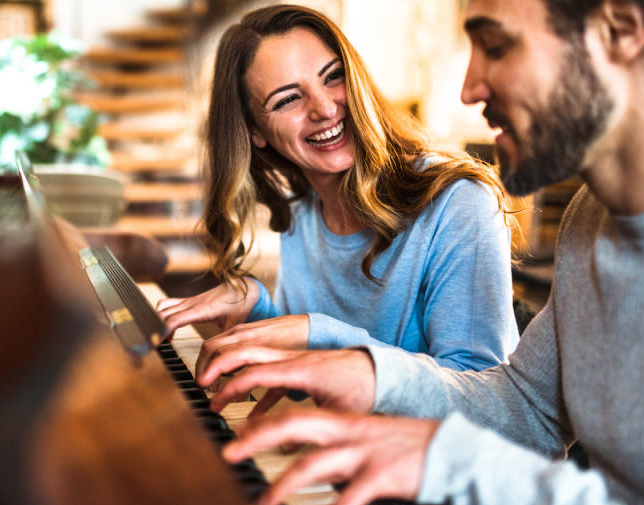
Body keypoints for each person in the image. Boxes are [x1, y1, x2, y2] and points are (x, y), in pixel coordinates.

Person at [206, 0, 644, 505]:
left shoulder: (460, 200)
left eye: (497, 45)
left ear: (622, 29)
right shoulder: (590, 218)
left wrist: (447, 457)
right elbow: (529, 408)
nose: (468, 88)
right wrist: (371, 374)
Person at [157, 5, 519, 386]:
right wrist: (256, 306)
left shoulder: (459, 202)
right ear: (255, 132)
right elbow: (315, 380)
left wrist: (318, 331)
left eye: (333, 77)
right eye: (287, 99)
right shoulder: (304, 211)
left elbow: (480, 390)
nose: (325, 108)